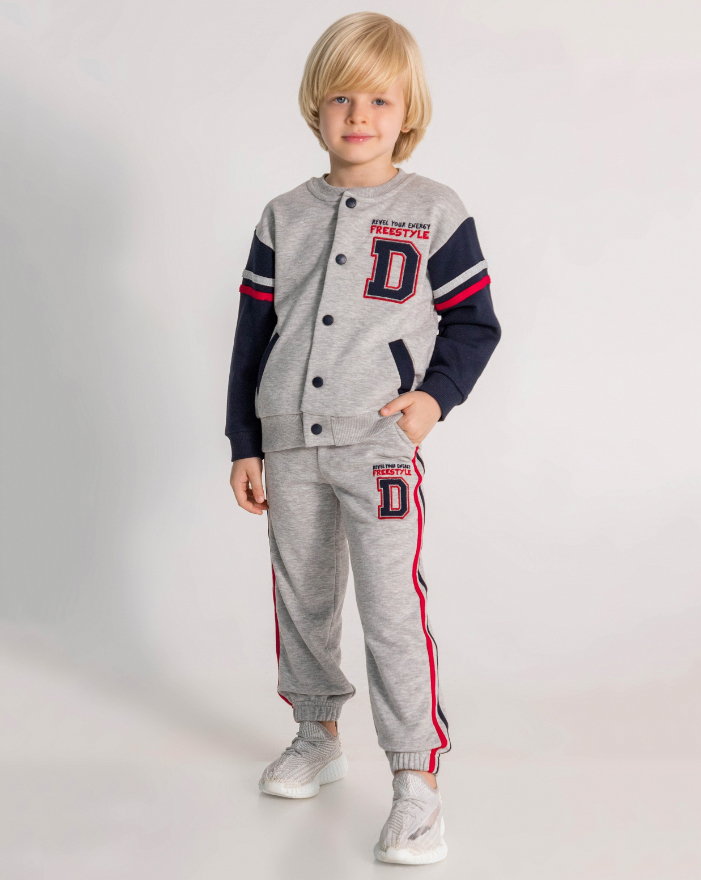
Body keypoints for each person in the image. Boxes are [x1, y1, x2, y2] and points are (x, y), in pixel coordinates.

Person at [225, 11, 501, 865]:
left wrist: (431, 402)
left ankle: (417, 782)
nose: (359, 115)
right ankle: (317, 733)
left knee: (390, 609)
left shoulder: (434, 210)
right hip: (289, 444)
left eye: (379, 99)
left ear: (407, 111)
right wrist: (244, 441)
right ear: (316, 105)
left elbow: (475, 323)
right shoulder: (283, 215)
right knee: (302, 598)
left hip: (378, 445)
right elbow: (252, 337)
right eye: (342, 97)